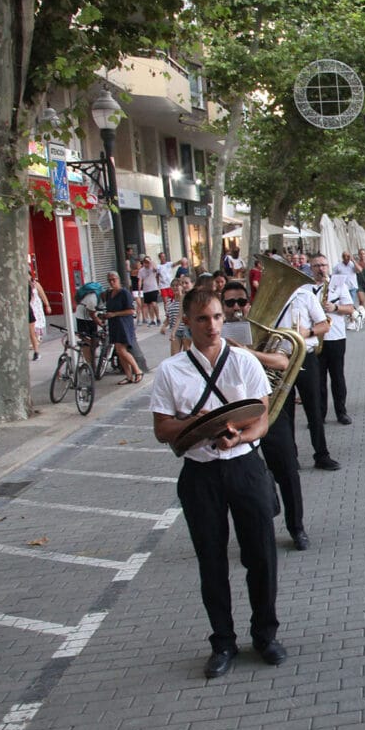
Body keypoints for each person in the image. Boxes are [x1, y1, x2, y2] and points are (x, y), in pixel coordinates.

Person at [151, 289, 285, 679]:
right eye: (202, 319)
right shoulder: (171, 370)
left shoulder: (243, 360)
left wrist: (239, 437)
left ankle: (265, 636)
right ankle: (222, 642)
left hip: (245, 466)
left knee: (261, 556)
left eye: (216, 317)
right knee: (211, 562)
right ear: (187, 323)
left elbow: (261, 416)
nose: (211, 326)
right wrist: (201, 424)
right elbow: (162, 429)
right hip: (200, 474)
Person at [220, 281, 309, 551]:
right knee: (246, 476)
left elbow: (282, 362)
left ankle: (297, 528)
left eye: (241, 302)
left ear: (250, 304)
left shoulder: (271, 332)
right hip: (234, 411)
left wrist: (247, 353)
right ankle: (259, 529)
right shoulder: (216, 335)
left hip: (271, 410)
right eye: (230, 303)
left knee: (287, 470)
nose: (236, 308)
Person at [278, 274, 340, 471]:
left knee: (314, 409)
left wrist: (307, 332)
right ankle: (290, 456)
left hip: (305, 355)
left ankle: (321, 455)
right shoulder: (272, 300)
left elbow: (324, 325)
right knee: (285, 411)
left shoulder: (305, 296)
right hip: (280, 360)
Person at [310, 253, 355, 426]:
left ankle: (341, 412)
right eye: (317, 266)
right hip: (315, 338)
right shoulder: (306, 288)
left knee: (337, 377)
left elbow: (350, 308)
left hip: (335, 336)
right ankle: (319, 415)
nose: (321, 269)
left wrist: (335, 307)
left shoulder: (338, 285)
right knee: (318, 379)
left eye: (323, 265)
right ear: (311, 268)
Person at [102, 271, 144, 384]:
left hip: (124, 324)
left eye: (114, 279)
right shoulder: (109, 294)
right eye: (109, 280)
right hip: (114, 324)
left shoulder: (124, 293)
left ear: (118, 279)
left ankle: (137, 370)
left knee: (121, 349)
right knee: (119, 351)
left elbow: (131, 310)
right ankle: (129, 375)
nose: (112, 282)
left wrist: (115, 314)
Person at [162, 273, 194, 356]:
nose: (184, 285)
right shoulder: (174, 300)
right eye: (183, 283)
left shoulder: (196, 296)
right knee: (174, 356)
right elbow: (178, 316)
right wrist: (172, 331)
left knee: (187, 355)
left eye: (186, 283)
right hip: (179, 330)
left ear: (192, 283)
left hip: (189, 329)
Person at [28, 273, 51, 361]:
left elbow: (42, 295)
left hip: (35, 309)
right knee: (32, 331)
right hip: (29, 308)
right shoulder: (23, 286)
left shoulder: (36, 284)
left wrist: (47, 305)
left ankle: (36, 349)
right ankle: (35, 348)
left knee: (34, 330)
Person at [138, 256, 162, 327]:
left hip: (153, 288)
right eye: (145, 262)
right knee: (149, 305)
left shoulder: (152, 268)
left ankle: (158, 318)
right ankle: (152, 320)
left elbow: (156, 269)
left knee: (154, 303)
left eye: (147, 262)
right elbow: (140, 280)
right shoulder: (141, 270)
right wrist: (139, 289)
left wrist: (150, 261)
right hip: (146, 290)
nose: (146, 264)